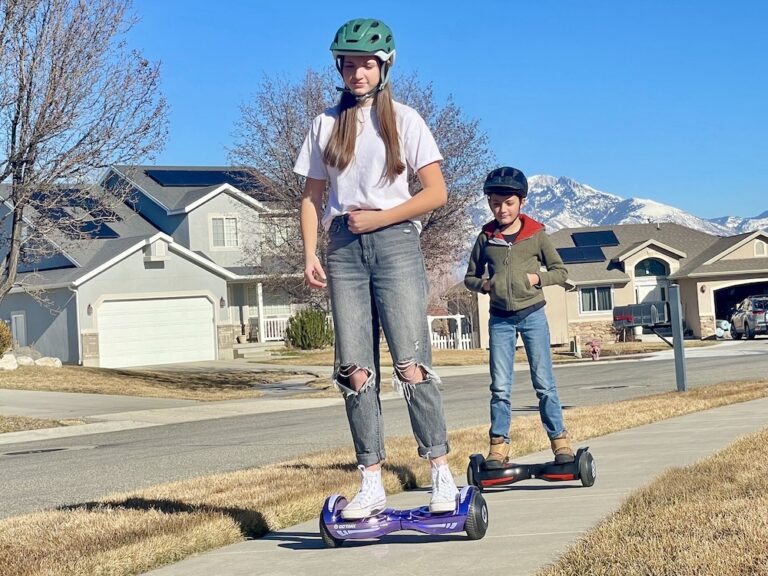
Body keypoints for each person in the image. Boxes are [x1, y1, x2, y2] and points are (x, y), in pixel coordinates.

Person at [294, 17, 459, 519]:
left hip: (394, 243)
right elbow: (311, 197)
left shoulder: (406, 120)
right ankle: (370, 481)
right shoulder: (325, 123)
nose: (356, 72)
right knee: (355, 370)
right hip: (344, 247)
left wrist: (381, 218)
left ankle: (439, 472)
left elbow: (436, 193)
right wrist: (309, 252)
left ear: (384, 65)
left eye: (366, 63)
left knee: (411, 362)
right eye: (348, 64)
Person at [464, 166, 575, 468]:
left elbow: (560, 271)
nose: (502, 209)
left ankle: (560, 441)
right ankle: (498, 445)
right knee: (500, 386)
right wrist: (486, 284)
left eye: (509, 203)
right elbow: (470, 277)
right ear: (489, 203)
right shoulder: (486, 237)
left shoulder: (536, 235)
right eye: (496, 203)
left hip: (533, 315)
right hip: (500, 319)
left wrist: (535, 279)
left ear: (521, 202)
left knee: (544, 383)